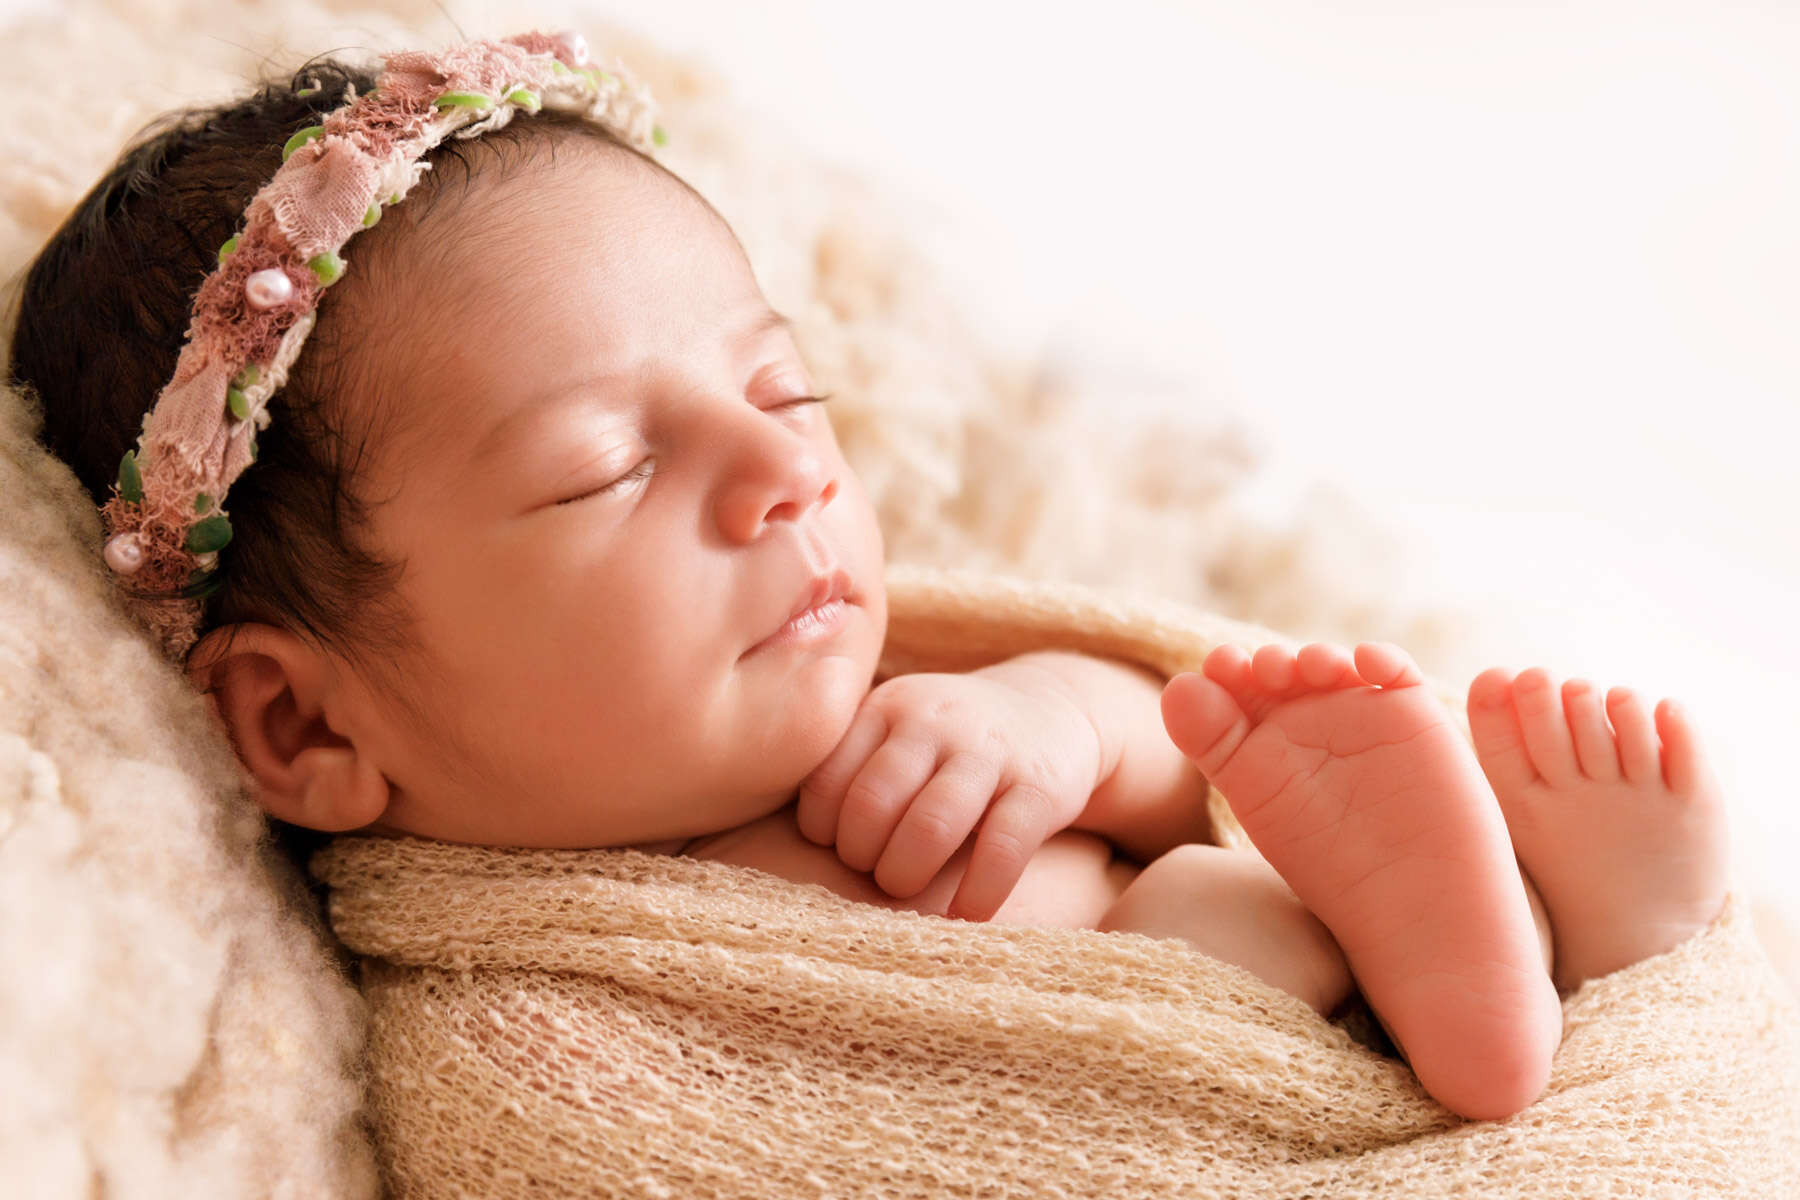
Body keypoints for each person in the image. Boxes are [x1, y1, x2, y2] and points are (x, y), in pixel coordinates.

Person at [5, 31, 1731, 1124]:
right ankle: (1446, 995)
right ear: (305, 724)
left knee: (1220, 870)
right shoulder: (535, 1033)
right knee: (1207, 932)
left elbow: (1185, 745)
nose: (791, 474)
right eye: (612, 466)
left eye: (784, 391)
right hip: (1161, 1093)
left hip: (1271, 937)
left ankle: (1570, 936)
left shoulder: (890, 701)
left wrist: (1054, 723)